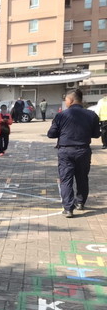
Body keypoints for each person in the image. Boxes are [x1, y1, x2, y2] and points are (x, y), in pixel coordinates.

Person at [47, 89, 100, 218]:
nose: (66, 102)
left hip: (66, 151)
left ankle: (68, 208)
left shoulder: (61, 115)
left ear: (70, 100)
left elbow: (51, 134)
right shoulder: (91, 115)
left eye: (66, 100)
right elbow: (96, 134)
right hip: (83, 150)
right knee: (82, 178)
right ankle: (80, 202)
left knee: (66, 179)